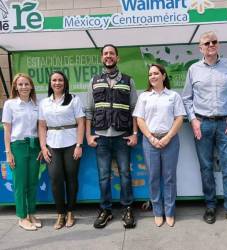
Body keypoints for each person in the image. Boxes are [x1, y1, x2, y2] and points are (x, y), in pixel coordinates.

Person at [181, 31, 227, 232]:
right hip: (203, 124)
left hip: (226, 124)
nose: (210, 45)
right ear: (200, 48)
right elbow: (186, 98)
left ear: (218, 45)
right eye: (206, 43)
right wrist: (193, 120)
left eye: (214, 42)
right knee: (206, 167)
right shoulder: (193, 69)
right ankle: (210, 206)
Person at [85, 44, 138, 229]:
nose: (109, 56)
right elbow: (89, 111)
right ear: (102, 58)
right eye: (106, 53)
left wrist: (134, 133)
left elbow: (134, 110)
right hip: (100, 137)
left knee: (125, 174)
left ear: (117, 57)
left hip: (122, 137)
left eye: (112, 53)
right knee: (104, 176)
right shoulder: (94, 80)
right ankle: (105, 210)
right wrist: (88, 136)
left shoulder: (128, 81)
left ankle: (128, 208)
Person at [133, 64, 185, 227]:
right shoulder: (144, 97)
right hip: (150, 141)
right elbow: (139, 119)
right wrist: (150, 137)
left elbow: (179, 118)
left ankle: (169, 211)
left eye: (156, 73)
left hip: (170, 141)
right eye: (150, 74)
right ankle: (157, 211)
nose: (153, 76)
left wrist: (168, 137)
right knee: (154, 177)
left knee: (169, 178)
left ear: (163, 76)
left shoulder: (173, 96)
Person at [38, 71, 85, 230]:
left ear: (65, 82)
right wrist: (43, 147)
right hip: (52, 144)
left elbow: (81, 123)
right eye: (54, 80)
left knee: (72, 178)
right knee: (55, 179)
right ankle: (60, 214)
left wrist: (79, 145)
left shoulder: (74, 99)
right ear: (50, 83)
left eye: (60, 80)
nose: (57, 83)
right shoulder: (44, 102)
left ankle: (71, 212)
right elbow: (42, 126)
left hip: (71, 143)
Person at [2, 73, 41, 231]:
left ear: (31, 86)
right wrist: (8, 152)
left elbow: (41, 127)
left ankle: (31, 213)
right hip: (17, 145)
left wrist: (41, 147)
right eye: (20, 84)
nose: (24, 87)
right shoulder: (9, 104)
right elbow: (7, 130)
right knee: (20, 184)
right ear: (16, 87)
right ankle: (22, 217)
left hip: (34, 146)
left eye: (26, 84)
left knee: (32, 182)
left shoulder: (36, 104)